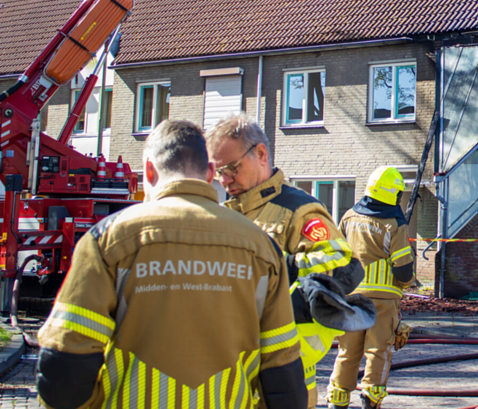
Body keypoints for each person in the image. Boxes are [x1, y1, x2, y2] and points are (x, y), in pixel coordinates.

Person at [36, 120, 306, 409]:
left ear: (149, 171)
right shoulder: (263, 248)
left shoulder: (108, 240)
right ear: (210, 173)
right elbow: (283, 376)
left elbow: (66, 365)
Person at [207, 116, 373, 408]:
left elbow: (343, 264)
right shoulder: (225, 214)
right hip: (233, 375)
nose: (225, 179)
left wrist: (279, 265)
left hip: (282, 380)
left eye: (232, 168)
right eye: (219, 171)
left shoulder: (297, 209)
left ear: (261, 154)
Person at [329, 167, 415, 409]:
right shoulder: (394, 224)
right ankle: (371, 397)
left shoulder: (348, 217)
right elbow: (403, 270)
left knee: (347, 351)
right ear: (394, 194)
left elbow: (335, 257)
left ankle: (338, 398)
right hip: (382, 302)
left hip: (349, 297)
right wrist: (408, 282)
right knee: (378, 350)